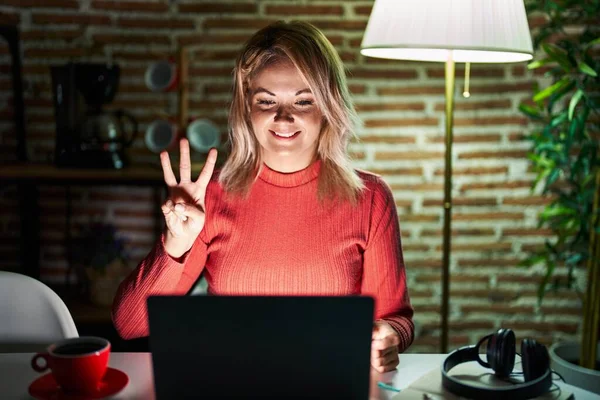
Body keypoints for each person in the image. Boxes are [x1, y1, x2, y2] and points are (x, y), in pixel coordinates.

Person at [112, 20, 414, 373]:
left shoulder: (371, 198)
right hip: (235, 382)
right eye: (266, 100)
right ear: (247, 108)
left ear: (329, 106)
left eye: (304, 100)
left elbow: (396, 318)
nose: (283, 119)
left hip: (332, 381)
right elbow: (130, 325)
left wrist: (389, 336)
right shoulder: (209, 197)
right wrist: (175, 243)